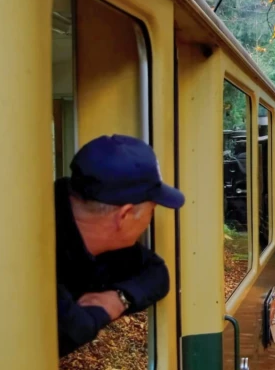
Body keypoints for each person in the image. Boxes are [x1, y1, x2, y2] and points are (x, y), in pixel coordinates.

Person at [56, 134, 184, 356]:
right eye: (151, 210)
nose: (150, 220)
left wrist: (119, 298)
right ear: (124, 215)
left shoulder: (97, 240)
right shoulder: (31, 249)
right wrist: (98, 314)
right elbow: (71, 330)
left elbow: (156, 273)